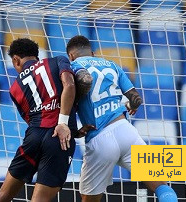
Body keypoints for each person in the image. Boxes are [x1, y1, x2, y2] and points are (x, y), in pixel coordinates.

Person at [66, 35, 178, 202]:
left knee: (88, 198)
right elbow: (136, 99)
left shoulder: (72, 68)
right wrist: (130, 107)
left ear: (71, 56)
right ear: (93, 53)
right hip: (126, 132)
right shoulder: (112, 65)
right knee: (162, 186)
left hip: (99, 138)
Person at [0, 38, 82, 202]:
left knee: (2, 196)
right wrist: (65, 124)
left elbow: (31, 119)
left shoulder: (14, 88)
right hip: (67, 138)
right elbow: (70, 85)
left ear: (16, 60)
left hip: (34, 136)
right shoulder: (57, 60)